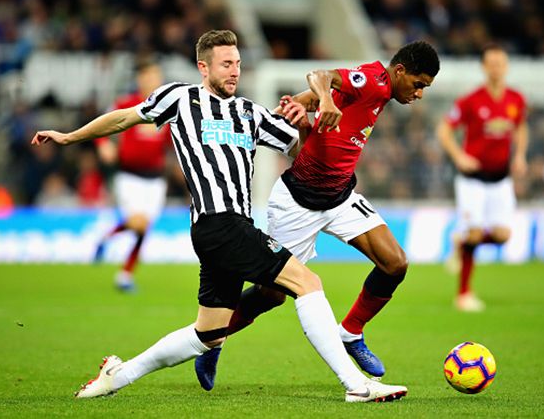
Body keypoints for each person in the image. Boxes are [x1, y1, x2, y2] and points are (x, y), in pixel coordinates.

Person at [32, 30, 407, 403]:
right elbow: (123, 119)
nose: (234, 71)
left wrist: (302, 121)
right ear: (203, 67)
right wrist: (69, 137)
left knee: (207, 334)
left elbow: (302, 152)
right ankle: (356, 385)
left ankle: (118, 373)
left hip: (231, 227)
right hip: (217, 222)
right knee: (307, 283)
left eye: (238, 64)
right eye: (226, 64)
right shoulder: (179, 97)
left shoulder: (250, 113)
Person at [194, 41, 440, 390]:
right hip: (297, 202)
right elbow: (319, 75)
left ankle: (350, 333)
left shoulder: (382, 93)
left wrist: (299, 105)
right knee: (271, 295)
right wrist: (323, 98)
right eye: (418, 84)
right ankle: (212, 340)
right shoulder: (372, 81)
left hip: (339, 198)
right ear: (399, 71)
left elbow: (314, 96)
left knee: (395, 263)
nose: (419, 94)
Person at [436, 43, 528, 312]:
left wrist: (520, 155)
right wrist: (458, 156)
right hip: (472, 178)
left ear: (506, 66)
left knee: (502, 236)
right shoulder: (470, 100)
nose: (496, 68)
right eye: (492, 63)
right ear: (484, 67)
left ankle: (459, 241)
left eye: (501, 63)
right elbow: (444, 129)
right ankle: (463, 294)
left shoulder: (516, 100)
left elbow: (520, 127)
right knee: (475, 234)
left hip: (501, 178)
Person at [93, 60, 177, 291]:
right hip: (129, 176)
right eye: (149, 76)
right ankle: (124, 272)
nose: (153, 81)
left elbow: (174, 140)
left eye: (156, 76)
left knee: (143, 227)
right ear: (140, 79)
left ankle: (123, 273)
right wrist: (103, 144)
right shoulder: (126, 104)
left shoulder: (167, 109)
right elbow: (100, 124)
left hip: (156, 179)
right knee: (139, 224)